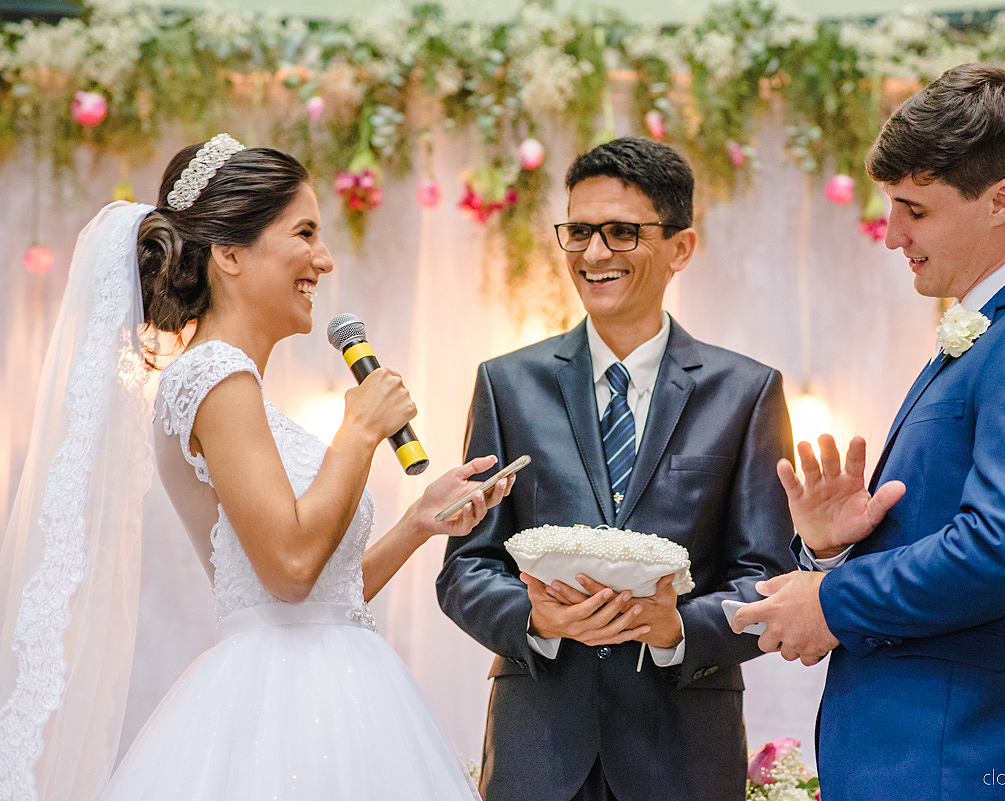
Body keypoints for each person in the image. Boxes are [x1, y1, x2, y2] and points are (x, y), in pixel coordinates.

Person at [0, 135, 512, 801]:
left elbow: (323, 592)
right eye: (304, 233)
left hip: (326, 676)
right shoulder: (217, 376)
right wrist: (357, 429)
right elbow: (291, 570)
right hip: (286, 705)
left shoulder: (238, 389)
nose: (324, 260)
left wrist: (419, 522)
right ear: (231, 253)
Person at [733, 64, 1005, 800]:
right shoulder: (994, 336)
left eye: (913, 209)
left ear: (1000, 201)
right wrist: (832, 550)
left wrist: (831, 601)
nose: (892, 235)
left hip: (973, 763)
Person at [436, 137, 795, 801]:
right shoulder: (505, 385)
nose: (593, 254)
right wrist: (537, 617)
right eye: (578, 231)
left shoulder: (747, 392)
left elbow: (767, 576)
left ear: (680, 248)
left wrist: (678, 627)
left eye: (621, 232)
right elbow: (466, 567)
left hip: (683, 753)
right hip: (539, 752)